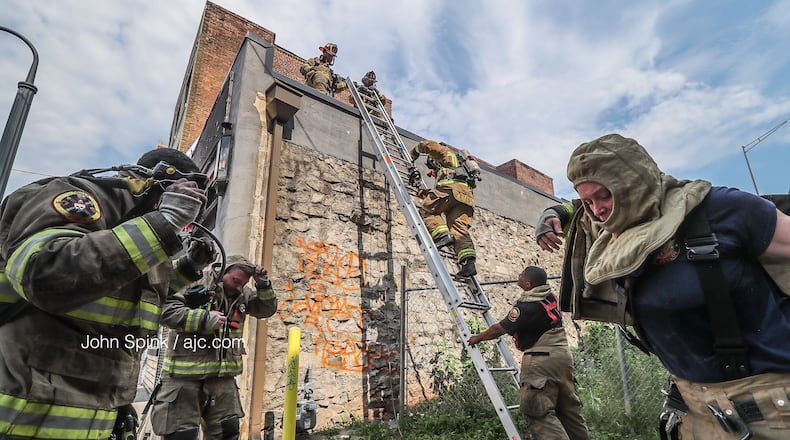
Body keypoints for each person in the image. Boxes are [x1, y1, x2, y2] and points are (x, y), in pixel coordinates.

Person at [535, 133, 790, 439]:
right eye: (589, 201)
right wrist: (554, 212)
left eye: (603, 195)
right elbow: (579, 213)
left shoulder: (721, 210)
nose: (597, 209)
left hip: (769, 409)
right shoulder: (613, 234)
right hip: (695, 412)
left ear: (632, 182)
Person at [0, 148, 214, 439]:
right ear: (161, 181)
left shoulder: (141, 236)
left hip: (95, 419)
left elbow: (138, 296)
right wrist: (165, 222)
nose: (187, 225)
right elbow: (46, 274)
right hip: (20, 418)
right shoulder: (77, 198)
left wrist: (190, 267)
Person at [151, 254, 278, 440]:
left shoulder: (243, 293)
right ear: (223, 271)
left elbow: (266, 309)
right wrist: (203, 319)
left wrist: (264, 285)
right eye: (235, 280)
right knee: (181, 436)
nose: (238, 287)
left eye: (242, 283)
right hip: (183, 380)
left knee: (228, 433)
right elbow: (164, 311)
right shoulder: (194, 282)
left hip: (222, 381)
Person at [468, 266, 590, 440]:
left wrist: (477, 338)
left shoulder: (526, 307)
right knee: (568, 411)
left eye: (521, 274)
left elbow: (499, 329)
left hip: (541, 360)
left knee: (537, 410)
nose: (518, 275)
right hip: (562, 357)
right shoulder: (549, 297)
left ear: (527, 283)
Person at [408, 139, 478, 277]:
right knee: (459, 229)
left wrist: (413, 154)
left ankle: (442, 235)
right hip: (466, 198)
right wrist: (423, 190)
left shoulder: (446, 153)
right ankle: (468, 263)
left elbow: (427, 146)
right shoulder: (458, 167)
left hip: (451, 190)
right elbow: (442, 195)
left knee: (427, 210)